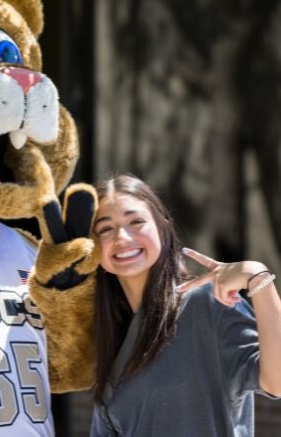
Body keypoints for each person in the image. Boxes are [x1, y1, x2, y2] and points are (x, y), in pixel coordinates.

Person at [89, 174, 281, 437]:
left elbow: (277, 381)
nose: (122, 237)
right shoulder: (112, 334)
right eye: (105, 228)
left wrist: (257, 277)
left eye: (136, 222)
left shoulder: (206, 305)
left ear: (163, 228)